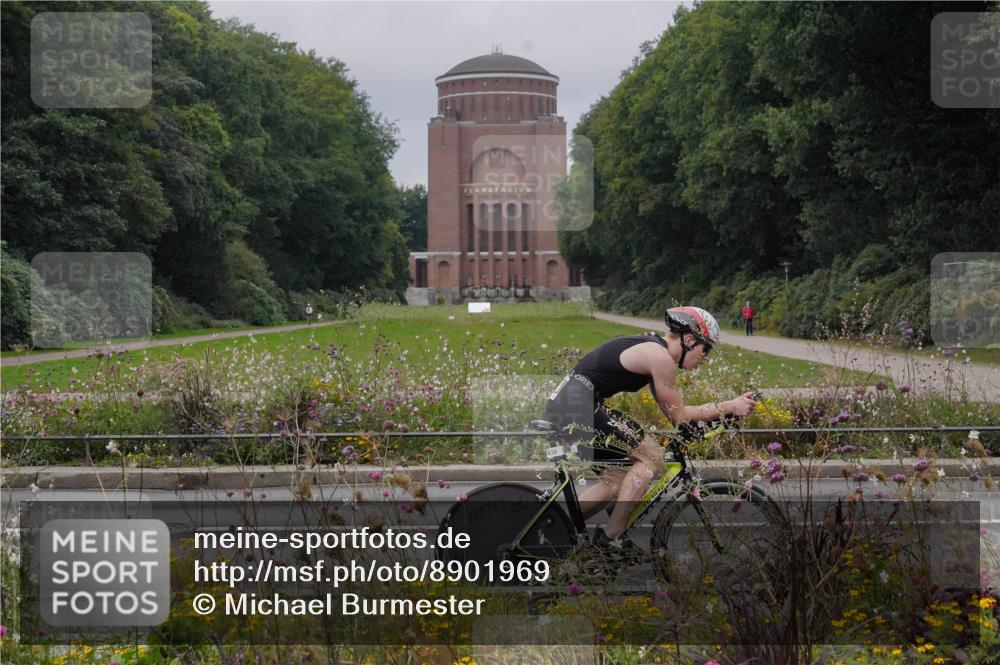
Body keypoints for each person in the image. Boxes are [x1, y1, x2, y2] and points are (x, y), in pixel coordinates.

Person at [544, 306, 758, 549]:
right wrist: (729, 405)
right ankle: (611, 537)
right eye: (705, 347)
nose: (706, 357)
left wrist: (726, 410)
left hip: (569, 403)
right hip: (577, 404)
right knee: (651, 456)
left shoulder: (656, 351)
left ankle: (551, 531)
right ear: (689, 339)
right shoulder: (660, 358)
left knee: (617, 480)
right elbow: (681, 416)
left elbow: (678, 417)